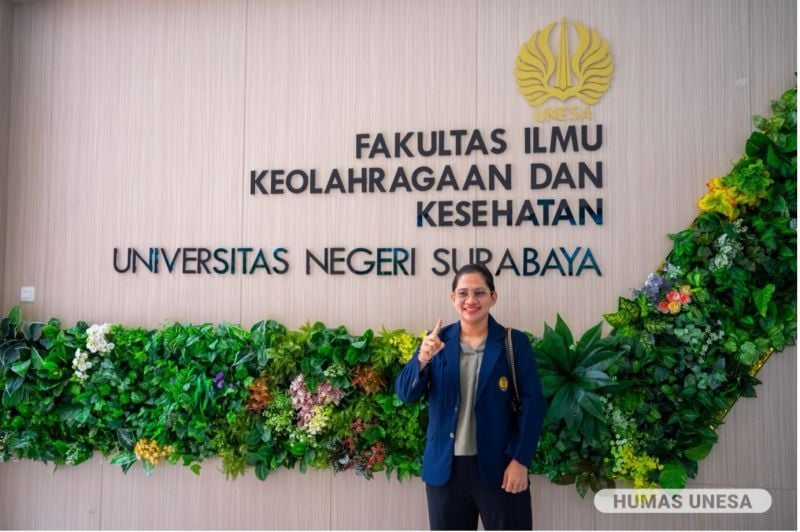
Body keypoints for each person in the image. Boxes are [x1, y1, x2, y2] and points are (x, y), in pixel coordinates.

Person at [395, 263, 548, 530]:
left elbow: (532, 405)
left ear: (493, 297)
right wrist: (421, 359)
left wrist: (520, 460)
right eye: (463, 293)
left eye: (479, 292)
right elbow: (405, 394)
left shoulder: (514, 342)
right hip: (446, 471)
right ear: (453, 298)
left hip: (500, 468)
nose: (471, 300)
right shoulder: (437, 342)